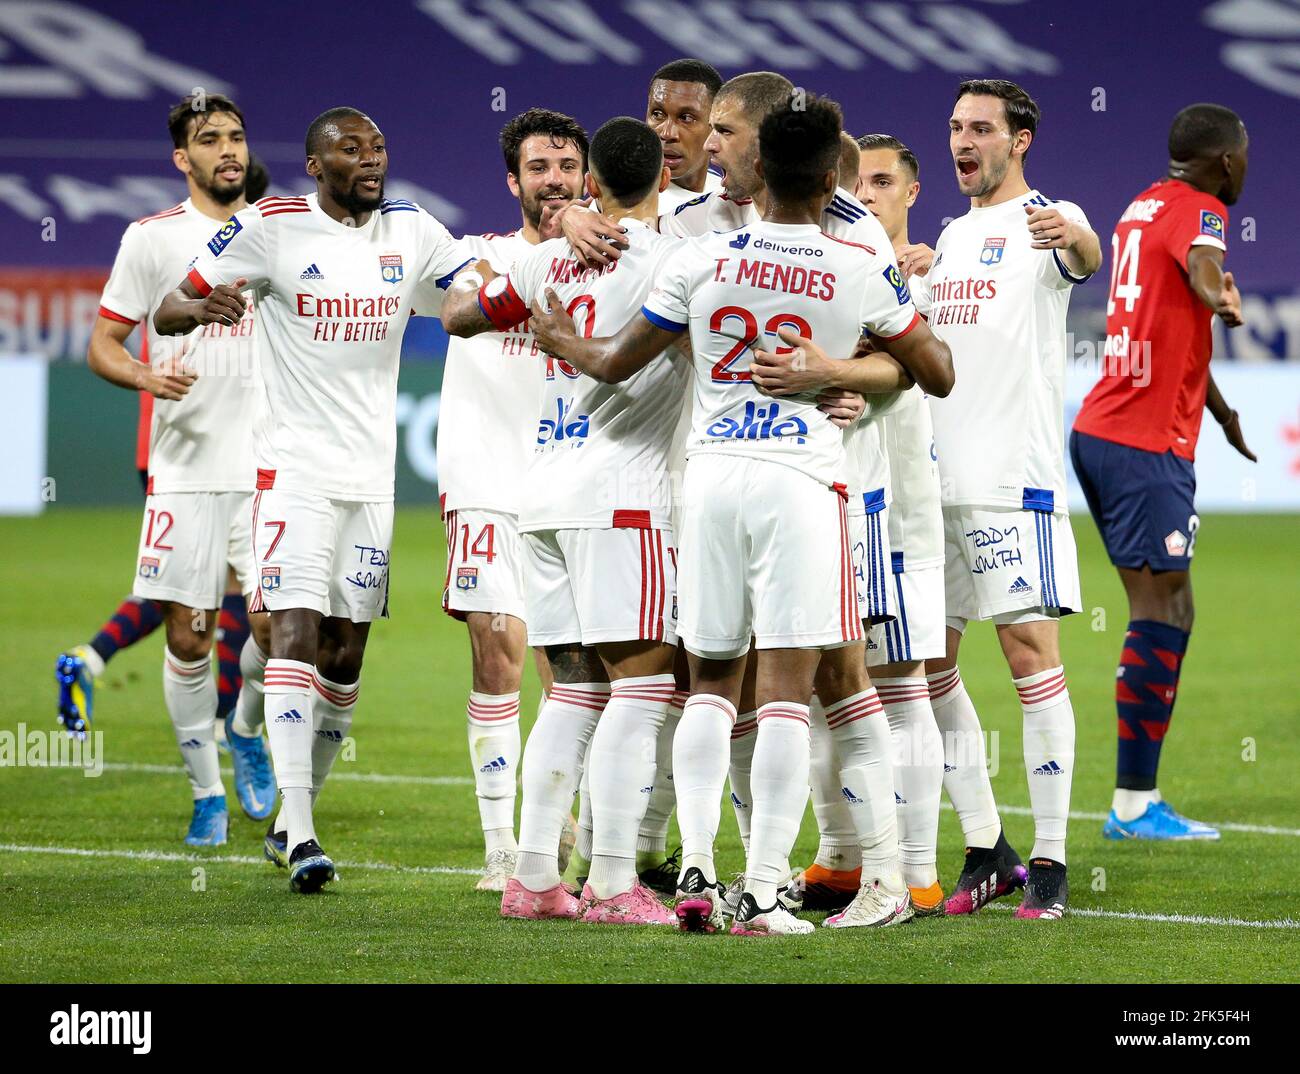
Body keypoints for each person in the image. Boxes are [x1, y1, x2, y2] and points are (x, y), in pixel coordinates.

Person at [532, 95, 950, 936]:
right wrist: (832, 365)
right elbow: (933, 370)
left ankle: (699, 866)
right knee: (792, 694)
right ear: (832, 176)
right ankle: (763, 891)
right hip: (801, 484)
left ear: (758, 171)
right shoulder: (854, 263)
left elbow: (616, 364)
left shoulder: (703, 259)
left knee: (713, 688)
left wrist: (561, 341)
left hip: (711, 482)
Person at [155, 106, 474, 892]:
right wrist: (203, 307)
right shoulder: (271, 226)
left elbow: (475, 293)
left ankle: (289, 817)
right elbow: (168, 306)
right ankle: (302, 835)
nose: (370, 159)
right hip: (289, 470)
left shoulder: (413, 230)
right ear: (313, 165)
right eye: (351, 149)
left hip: (369, 483)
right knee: (294, 630)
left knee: (345, 655)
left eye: (379, 146)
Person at [444, 116, 687, 925]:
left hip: (540, 495)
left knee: (574, 694)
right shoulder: (670, 260)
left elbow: (462, 317)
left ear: (592, 182)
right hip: (621, 498)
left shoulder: (545, 258)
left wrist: (556, 259)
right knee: (644, 688)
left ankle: (535, 877)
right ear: (662, 175)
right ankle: (615, 882)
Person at [919, 79, 1102, 920]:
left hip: (1009, 486)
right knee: (928, 669)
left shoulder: (1048, 222)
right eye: (957, 127)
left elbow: (1083, 253)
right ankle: (990, 846)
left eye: (982, 128)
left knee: (1031, 659)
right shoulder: (952, 237)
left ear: (1020, 139)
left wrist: (1077, 236)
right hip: (936, 485)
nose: (965, 141)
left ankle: (1056, 861)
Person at [80, 93, 275, 845]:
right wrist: (143, 378)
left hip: (266, 470)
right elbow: (103, 341)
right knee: (190, 640)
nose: (227, 149)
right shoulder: (150, 239)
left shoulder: (275, 231)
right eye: (210, 139)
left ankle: (249, 727)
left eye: (236, 135)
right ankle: (206, 795)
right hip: (185, 470)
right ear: (182, 159)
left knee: (276, 626)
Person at [1071, 103, 1253, 841]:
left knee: (1165, 610)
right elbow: (1204, 274)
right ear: (1226, 161)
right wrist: (1223, 295)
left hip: (1107, 430)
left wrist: (1222, 409)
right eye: (1244, 157)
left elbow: (1164, 324)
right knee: (1164, 612)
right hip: (1143, 445)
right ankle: (1134, 805)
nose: (1246, 169)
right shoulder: (1203, 210)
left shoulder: (1142, 207)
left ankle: (1136, 800)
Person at [437, 108, 588, 891]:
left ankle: (563, 824)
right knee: (498, 653)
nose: (554, 180)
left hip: (574, 488)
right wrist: (535, 279)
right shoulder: (481, 257)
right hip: (488, 484)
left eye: (566, 166)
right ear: (513, 181)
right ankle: (501, 846)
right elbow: (456, 313)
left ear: (586, 174)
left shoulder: (608, 262)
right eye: (539, 167)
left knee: (572, 674)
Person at [645, 57, 724, 213]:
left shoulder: (729, 195)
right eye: (658, 114)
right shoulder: (619, 202)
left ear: (716, 124)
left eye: (686, 118)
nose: (667, 134)